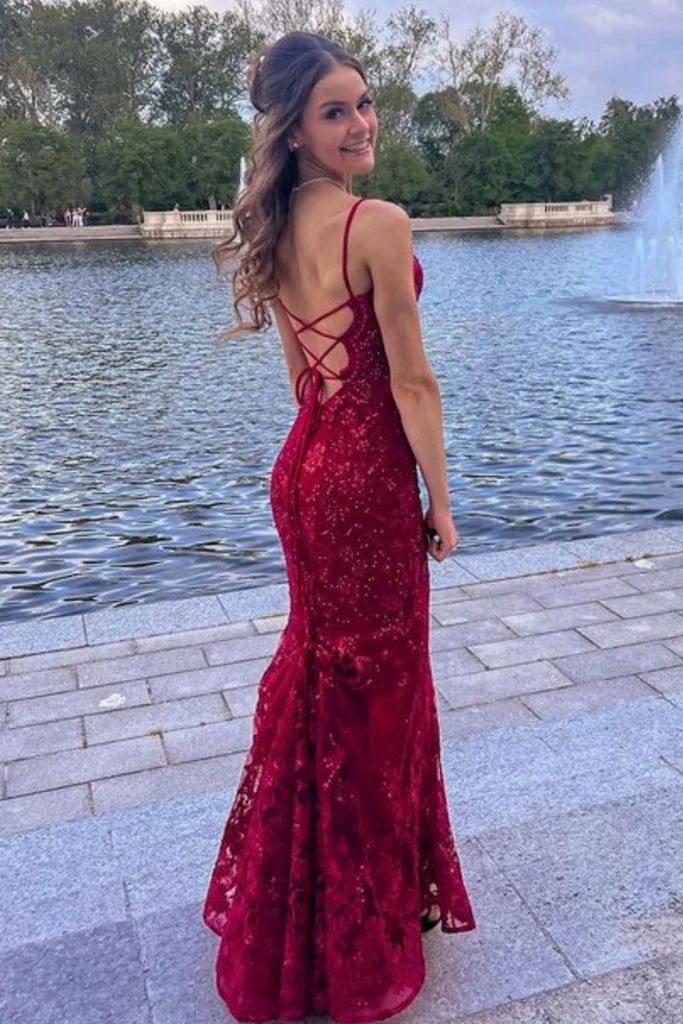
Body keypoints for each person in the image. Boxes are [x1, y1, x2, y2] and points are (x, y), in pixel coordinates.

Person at [202, 31, 477, 1023]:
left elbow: (300, 377)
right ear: (294, 129)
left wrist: (325, 464)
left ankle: (303, 906)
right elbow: (411, 379)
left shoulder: (277, 227)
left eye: (362, 102)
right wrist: (438, 500)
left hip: (304, 469)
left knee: (321, 674)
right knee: (379, 690)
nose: (360, 123)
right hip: (363, 484)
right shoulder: (377, 222)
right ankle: (361, 920)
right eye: (334, 110)